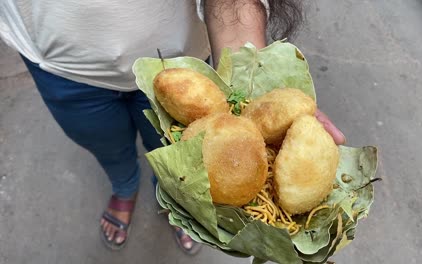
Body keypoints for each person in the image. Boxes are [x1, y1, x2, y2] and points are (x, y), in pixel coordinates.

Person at [0, 0, 345, 254]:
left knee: (173, 156)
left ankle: (172, 200)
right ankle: (124, 186)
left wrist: (256, 82)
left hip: (182, 63)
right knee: (105, 145)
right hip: (61, 68)